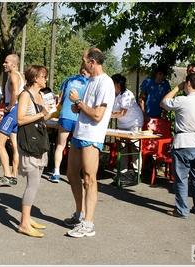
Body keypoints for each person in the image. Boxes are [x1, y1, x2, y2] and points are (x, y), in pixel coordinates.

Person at [66, 47, 115, 238]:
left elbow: (97, 115)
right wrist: (78, 107)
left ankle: (88, 224)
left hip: (92, 136)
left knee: (89, 178)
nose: (82, 63)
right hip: (79, 133)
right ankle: (80, 214)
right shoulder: (91, 81)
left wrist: (79, 103)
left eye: (83, 59)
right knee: (71, 174)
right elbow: (88, 109)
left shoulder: (106, 83)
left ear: (91, 62)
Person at [160, 73, 195, 218]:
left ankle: (182, 210)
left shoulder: (182, 100)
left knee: (181, 178)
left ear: (188, 83)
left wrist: (177, 88)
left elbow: (163, 102)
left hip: (184, 141)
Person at [17, 65, 52, 238]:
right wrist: (40, 115)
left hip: (39, 141)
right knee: (33, 183)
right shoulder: (25, 95)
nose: (46, 78)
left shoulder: (41, 95)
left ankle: (28, 218)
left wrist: (51, 110)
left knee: (36, 181)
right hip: (29, 143)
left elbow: (44, 117)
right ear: (35, 78)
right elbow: (20, 119)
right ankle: (24, 223)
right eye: (43, 76)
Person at [48, 67, 90, 183]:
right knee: (79, 147)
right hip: (79, 117)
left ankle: (56, 172)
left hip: (65, 115)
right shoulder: (89, 83)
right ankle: (77, 175)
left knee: (60, 145)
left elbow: (60, 100)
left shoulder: (68, 80)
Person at [0, 54, 25, 186]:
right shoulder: (21, 75)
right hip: (18, 111)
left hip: (12, 112)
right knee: (14, 146)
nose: (3, 64)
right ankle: (13, 176)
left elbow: (16, 93)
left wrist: (9, 107)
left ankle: (6, 175)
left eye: (6, 62)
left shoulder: (13, 76)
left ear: (14, 64)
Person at [110, 73, 144, 173]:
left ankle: (137, 172)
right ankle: (123, 170)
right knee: (122, 147)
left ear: (118, 84)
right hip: (122, 124)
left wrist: (107, 116)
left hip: (134, 123)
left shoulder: (127, 95)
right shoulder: (112, 95)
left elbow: (122, 113)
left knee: (134, 147)